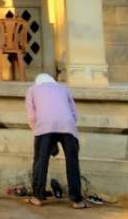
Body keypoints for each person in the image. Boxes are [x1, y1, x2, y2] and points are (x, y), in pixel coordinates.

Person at [25, 73, 86, 209]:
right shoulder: (63, 89)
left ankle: (37, 196)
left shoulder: (32, 90)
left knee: (41, 161)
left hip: (44, 126)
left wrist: (38, 131)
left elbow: (31, 115)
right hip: (68, 125)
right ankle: (77, 200)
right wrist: (67, 126)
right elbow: (74, 113)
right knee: (72, 162)